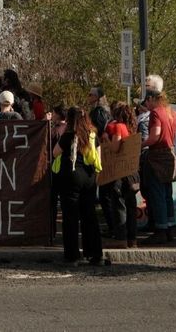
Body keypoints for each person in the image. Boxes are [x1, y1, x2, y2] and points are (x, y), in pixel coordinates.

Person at [53, 107, 103, 265]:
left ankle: (72, 255)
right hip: (89, 176)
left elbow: (55, 153)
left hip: (71, 176)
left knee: (71, 217)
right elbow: (98, 156)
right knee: (90, 216)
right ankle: (95, 254)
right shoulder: (93, 135)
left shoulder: (68, 135)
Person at [140, 76, 176, 245]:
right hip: (170, 154)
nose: (146, 105)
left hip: (157, 156)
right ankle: (169, 228)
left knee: (157, 194)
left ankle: (160, 229)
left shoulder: (156, 113)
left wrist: (140, 144)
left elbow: (154, 136)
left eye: (147, 101)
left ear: (151, 99)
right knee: (167, 193)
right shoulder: (172, 112)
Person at [102, 102, 139, 247]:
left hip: (120, 173)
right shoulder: (131, 127)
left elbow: (115, 147)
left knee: (119, 205)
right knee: (131, 206)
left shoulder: (118, 127)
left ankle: (121, 239)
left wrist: (106, 138)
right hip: (132, 172)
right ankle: (132, 239)